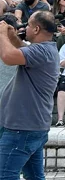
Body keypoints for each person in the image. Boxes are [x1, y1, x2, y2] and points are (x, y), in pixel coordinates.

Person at [0, 10, 59, 180]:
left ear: (36, 29)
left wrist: (2, 33)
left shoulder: (42, 51)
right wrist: (11, 36)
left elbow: (9, 56)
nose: (25, 28)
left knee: (5, 175)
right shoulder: (45, 50)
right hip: (32, 127)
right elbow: (21, 49)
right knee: (34, 177)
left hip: (21, 129)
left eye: (29, 25)